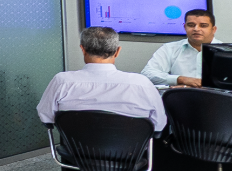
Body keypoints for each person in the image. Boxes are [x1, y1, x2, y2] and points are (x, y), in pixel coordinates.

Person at [37, 26, 166, 132]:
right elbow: (159, 125)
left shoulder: (62, 81)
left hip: (76, 151)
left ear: (83, 49)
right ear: (117, 51)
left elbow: (46, 118)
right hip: (131, 153)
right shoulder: (142, 83)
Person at [141, 9, 217, 88]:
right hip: (179, 94)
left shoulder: (224, 51)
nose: (196, 29)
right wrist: (180, 79)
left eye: (203, 25)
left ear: (213, 29)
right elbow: (147, 73)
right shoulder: (170, 48)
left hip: (214, 95)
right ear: (185, 27)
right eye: (191, 25)